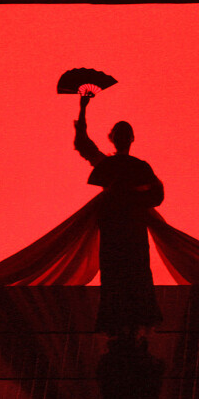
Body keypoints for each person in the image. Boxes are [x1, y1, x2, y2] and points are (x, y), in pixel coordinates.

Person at [75, 92, 164, 337]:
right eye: (121, 134)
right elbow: (84, 144)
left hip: (123, 225)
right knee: (126, 273)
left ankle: (126, 327)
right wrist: (82, 109)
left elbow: (84, 145)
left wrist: (126, 195)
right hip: (122, 225)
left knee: (127, 273)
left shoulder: (124, 166)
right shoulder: (132, 166)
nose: (122, 137)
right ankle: (128, 327)